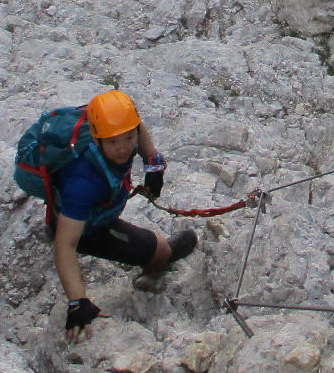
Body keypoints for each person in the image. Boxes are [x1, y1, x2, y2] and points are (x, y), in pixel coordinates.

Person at [13, 90, 197, 339]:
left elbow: (134, 125)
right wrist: (78, 302)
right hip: (88, 227)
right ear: (97, 139)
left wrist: (152, 161)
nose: (123, 148)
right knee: (160, 252)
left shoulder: (113, 130)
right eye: (113, 142)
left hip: (96, 205)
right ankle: (156, 258)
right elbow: (65, 245)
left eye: (128, 138)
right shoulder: (83, 183)